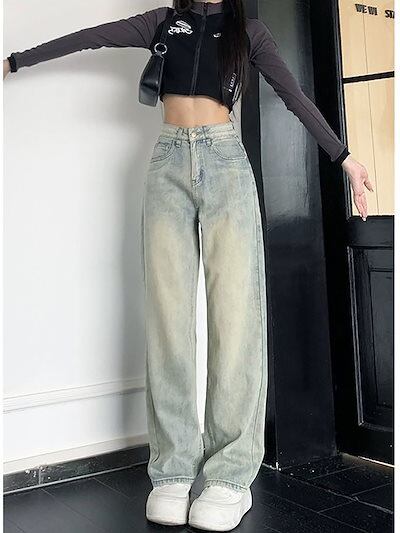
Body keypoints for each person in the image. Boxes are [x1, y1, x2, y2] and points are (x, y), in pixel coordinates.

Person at [3, 0, 373, 530]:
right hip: (167, 165)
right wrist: (15, 61)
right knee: (168, 319)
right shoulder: (161, 22)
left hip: (226, 165)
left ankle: (229, 477)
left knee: (235, 319)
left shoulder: (249, 32)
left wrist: (346, 160)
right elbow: (91, 36)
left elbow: (294, 95)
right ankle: (173, 471)